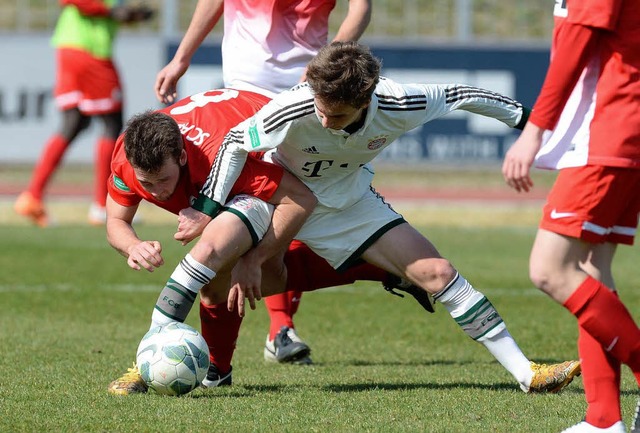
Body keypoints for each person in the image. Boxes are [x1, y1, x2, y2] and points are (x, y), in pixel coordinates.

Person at [169, 42, 582, 397]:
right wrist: (207, 210)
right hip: (280, 198)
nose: (326, 122)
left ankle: (528, 374)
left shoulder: (401, 102)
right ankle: (188, 361)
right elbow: (236, 143)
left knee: (439, 272)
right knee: (215, 269)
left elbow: (465, 94)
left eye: (338, 116)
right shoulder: (295, 105)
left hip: (348, 203)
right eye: (321, 111)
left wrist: (531, 125)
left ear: (367, 101)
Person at [106, 88, 425, 394]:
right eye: (146, 183)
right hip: (236, 133)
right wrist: (133, 245)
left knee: (213, 257)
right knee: (224, 282)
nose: (157, 192)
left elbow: (298, 199)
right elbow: (116, 222)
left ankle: (145, 368)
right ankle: (218, 372)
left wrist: (257, 258)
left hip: (284, 159)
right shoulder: (127, 155)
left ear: (182, 157)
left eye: (164, 180)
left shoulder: (221, 159)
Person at [153, 0, 373, 365]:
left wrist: (324, 67)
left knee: (296, 215)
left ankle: (277, 330)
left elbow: (360, 9)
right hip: (242, 97)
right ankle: (254, 344)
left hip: (308, 98)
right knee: (246, 220)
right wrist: (181, 57)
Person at [501, 0, 640, 431]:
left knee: (549, 269)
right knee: (590, 271)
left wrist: (532, 134)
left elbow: (573, 53)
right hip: (618, 131)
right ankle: (603, 420)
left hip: (608, 132)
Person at [14, 0, 153, 227]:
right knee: (111, 121)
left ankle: (32, 196)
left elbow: (111, 13)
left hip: (74, 49)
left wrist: (130, 15)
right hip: (89, 52)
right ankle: (102, 204)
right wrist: (111, 10)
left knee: (74, 123)